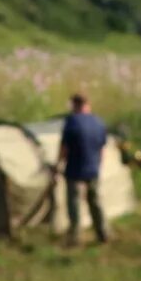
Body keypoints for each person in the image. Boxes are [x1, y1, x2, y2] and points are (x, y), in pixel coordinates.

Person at [56, 92, 111, 244]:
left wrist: (58, 165)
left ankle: (75, 236)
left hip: (74, 168)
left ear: (74, 105)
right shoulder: (98, 122)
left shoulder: (71, 122)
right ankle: (103, 233)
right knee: (96, 202)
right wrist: (99, 165)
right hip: (93, 168)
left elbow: (64, 148)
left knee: (74, 203)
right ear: (88, 105)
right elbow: (102, 149)